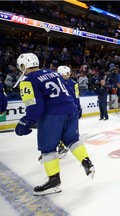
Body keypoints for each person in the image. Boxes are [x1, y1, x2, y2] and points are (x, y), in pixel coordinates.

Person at [14, 53, 95, 196]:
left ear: (23, 66)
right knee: (72, 139)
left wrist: (26, 122)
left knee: (48, 147)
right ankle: (86, 161)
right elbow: (69, 92)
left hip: (53, 115)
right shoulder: (54, 73)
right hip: (71, 110)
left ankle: (54, 182)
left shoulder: (28, 80)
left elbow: (35, 108)